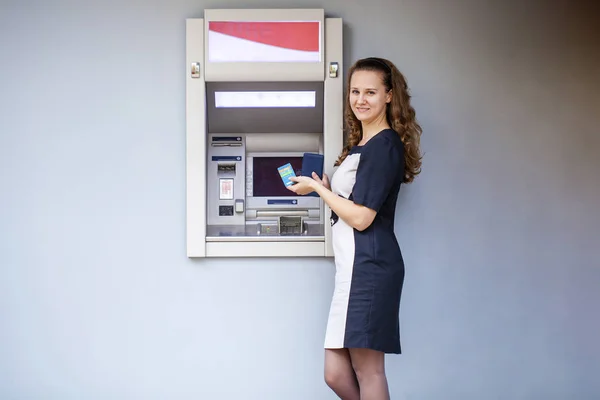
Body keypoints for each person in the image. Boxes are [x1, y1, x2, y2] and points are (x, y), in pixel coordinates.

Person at [287, 57, 423, 400]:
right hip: (353, 269)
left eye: (371, 92)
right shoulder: (363, 145)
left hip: (371, 268)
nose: (361, 99)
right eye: (355, 91)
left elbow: (363, 218)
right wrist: (329, 190)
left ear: (390, 96)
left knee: (368, 370)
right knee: (335, 372)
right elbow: (354, 205)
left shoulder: (385, 145)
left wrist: (318, 191)